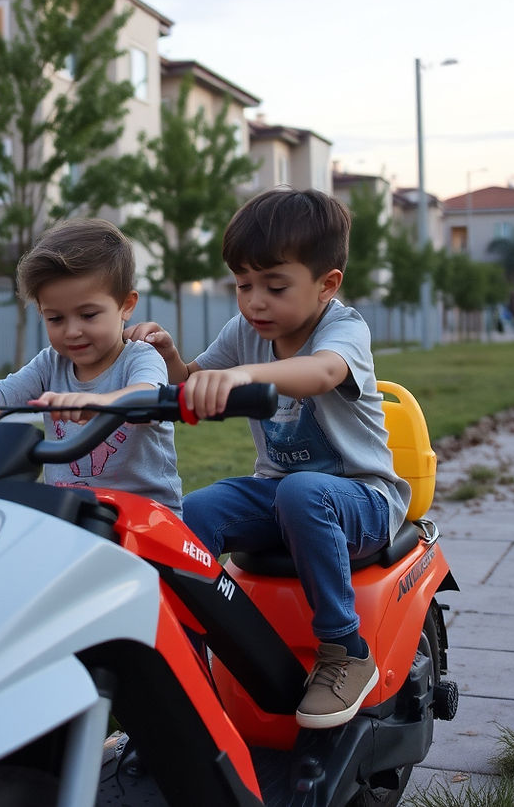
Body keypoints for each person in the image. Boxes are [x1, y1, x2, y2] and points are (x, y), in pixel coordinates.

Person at [126, 187, 410, 729]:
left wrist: (244, 376)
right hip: (281, 495)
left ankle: (346, 650)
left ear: (327, 284)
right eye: (242, 285)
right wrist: (166, 358)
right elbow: (194, 381)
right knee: (197, 513)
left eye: (275, 286)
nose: (255, 301)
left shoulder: (342, 328)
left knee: (302, 492)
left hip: (364, 501)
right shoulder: (245, 332)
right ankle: (183, 659)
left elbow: (323, 372)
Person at [0, 217, 182, 515]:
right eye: (55, 318)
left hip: (148, 520)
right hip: (70, 514)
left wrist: (98, 403)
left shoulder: (140, 358)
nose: (72, 331)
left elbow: (148, 394)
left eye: (88, 315)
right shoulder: (51, 364)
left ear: (126, 305)